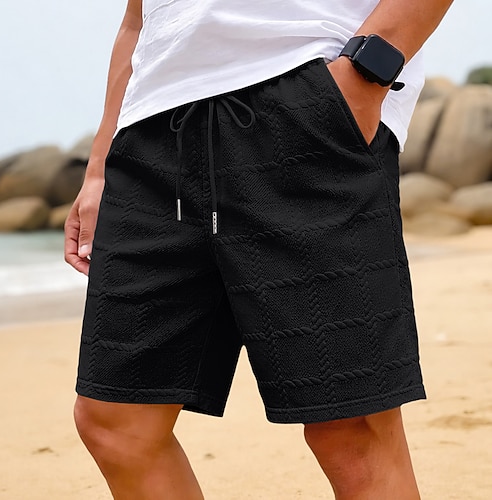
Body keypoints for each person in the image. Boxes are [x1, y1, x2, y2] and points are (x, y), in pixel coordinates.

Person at [65, 1, 453, 498]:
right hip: (152, 133)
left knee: (352, 430)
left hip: (301, 94)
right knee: (115, 419)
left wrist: (364, 71)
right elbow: (136, 18)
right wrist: (100, 164)